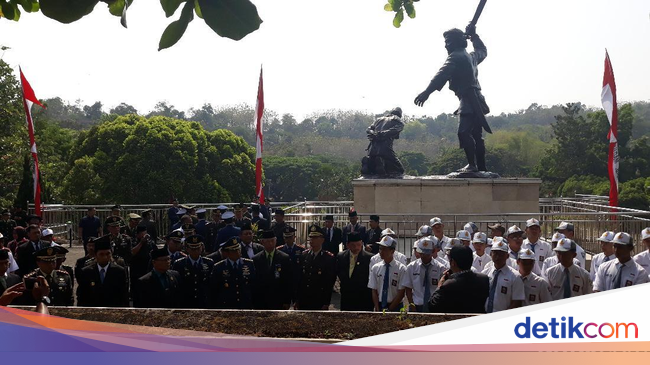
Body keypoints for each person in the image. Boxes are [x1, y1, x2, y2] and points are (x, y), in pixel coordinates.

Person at [414, 25, 491, 173]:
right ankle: (481, 166)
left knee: (463, 132)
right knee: (476, 135)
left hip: (468, 99)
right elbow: (482, 51)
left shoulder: (456, 56)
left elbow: (441, 75)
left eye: (448, 41)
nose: (445, 45)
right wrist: (475, 36)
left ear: (456, 42)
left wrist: (426, 92)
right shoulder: (470, 56)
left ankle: (472, 166)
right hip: (478, 99)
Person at [428, 246, 490, 313]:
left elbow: (433, 306)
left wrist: (439, 287)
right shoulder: (484, 279)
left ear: (453, 262)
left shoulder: (449, 285)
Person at [77, 237, 129, 307]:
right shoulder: (86, 272)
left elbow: (124, 296)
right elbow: (82, 297)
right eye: (101, 254)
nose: (105, 257)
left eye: (108, 254)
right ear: (95, 255)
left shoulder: (119, 271)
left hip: (112, 311)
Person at [296, 224, 336, 310]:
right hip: (304, 298)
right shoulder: (304, 255)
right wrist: (297, 299)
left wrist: (326, 302)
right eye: (311, 237)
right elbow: (299, 279)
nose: (311, 240)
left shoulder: (328, 258)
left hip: (319, 299)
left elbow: (329, 283)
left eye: (315, 238)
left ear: (322, 240)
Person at [210, 236, 256, 309]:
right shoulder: (219, 267)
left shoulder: (249, 264)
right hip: (227, 305)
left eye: (238, 249)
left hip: (245, 305)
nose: (237, 252)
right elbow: (214, 290)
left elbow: (253, 286)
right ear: (228, 253)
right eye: (234, 251)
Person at [482, 235, 524, 313]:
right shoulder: (485, 273)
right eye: (495, 253)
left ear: (507, 256)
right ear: (491, 254)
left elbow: (517, 302)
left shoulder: (515, 277)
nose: (498, 257)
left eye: (501, 254)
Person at [404, 237, 446, 312]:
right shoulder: (411, 267)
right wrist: (411, 304)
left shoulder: (440, 268)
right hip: (417, 305)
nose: (424, 256)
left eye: (427, 254)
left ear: (432, 252)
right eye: (422, 253)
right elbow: (408, 288)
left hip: (434, 305)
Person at [252, 230, 292, 310]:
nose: (270, 244)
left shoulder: (284, 258)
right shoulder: (256, 259)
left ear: (276, 241)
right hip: (261, 300)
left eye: (272, 241)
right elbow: (255, 282)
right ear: (262, 242)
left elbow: (288, 281)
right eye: (267, 241)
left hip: (278, 300)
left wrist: (287, 301)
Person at [172, 234, 214, 308]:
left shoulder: (209, 263)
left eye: (198, 248)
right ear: (187, 249)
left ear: (202, 248)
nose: (196, 251)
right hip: (186, 301)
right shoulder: (179, 264)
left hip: (203, 301)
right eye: (193, 249)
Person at [362, 107, 406, 177]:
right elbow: (395, 130)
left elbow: (369, 129)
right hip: (385, 148)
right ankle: (380, 161)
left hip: (372, 149)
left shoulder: (379, 119)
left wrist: (373, 133)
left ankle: (368, 161)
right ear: (400, 114)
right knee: (400, 170)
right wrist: (381, 134)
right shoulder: (398, 120)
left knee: (373, 171)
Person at [368, 236, 407, 312]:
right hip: (380, 305)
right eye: (380, 249)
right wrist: (376, 306)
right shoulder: (376, 268)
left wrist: (390, 309)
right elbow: (374, 289)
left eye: (385, 249)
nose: (381, 252)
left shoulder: (401, 269)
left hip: (396, 306)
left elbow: (401, 292)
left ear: (392, 251)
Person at [337, 232, 373, 311]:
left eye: (359, 245)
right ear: (348, 245)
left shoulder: (369, 258)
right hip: (347, 297)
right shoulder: (341, 256)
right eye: (353, 245)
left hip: (363, 298)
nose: (356, 247)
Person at [277, 226, 305, 304]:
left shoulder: (301, 250)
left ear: (294, 237)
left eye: (290, 237)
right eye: (286, 237)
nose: (288, 239)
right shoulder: (279, 250)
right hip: (284, 282)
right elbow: (277, 267)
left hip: (296, 282)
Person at [130, 226, 155, 294]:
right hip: (137, 271)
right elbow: (132, 252)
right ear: (138, 234)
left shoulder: (150, 242)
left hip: (148, 270)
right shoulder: (133, 241)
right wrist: (141, 242)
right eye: (142, 233)